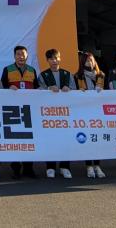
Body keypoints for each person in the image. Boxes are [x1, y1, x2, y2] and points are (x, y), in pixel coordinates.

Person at [0, 45, 39, 179]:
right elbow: (2, 87)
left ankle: (28, 168)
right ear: (14, 56)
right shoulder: (7, 69)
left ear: (27, 56)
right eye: (18, 54)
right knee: (15, 139)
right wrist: (8, 87)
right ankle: (16, 168)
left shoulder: (32, 70)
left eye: (23, 54)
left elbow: (37, 88)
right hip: (13, 110)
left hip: (29, 110)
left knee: (29, 139)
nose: (21, 56)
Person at [38, 48, 76, 179]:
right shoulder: (43, 75)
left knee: (66, 140)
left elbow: (75, 90)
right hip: (49, 113)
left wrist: (69, 88)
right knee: (50, 140)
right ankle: (50, 167)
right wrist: (48, 88)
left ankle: (65, 167)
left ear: (60, 58)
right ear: (47, 60)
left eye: (56, 58)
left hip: (65, 113)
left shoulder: (67, 74)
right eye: (51, 59)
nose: (54, 61)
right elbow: (38, 90)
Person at [75, 52, 106, 179]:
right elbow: (72, 94)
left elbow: (110, 94)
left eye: (92, 60)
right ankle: (89, 166)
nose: (90, 62)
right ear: (82, 62)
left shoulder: (101, 75)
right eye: (87, 61)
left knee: (97, 139)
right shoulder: (78, 76)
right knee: (87, 139)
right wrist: (78, 92)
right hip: (84, 112)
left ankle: (97, 165)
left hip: (99, 112)